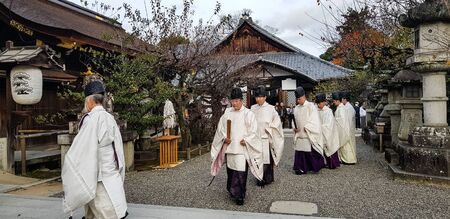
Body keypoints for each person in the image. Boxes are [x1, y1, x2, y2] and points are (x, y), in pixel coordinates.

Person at [62, 80, 128, 219]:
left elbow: (81, 147)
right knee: (111, 207)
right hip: (111, 170)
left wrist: (70, 163)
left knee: (105, 210)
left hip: (98, 175)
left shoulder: (91, 119)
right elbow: (118, 147)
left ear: (90, 101)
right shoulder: (110, 118)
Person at [210, 87, 263, 205]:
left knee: (240, 172)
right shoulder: (227, 112)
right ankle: (232, 191)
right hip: (230, 148)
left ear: (241, 100)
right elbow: (221, 128)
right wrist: (224, 138)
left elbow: (254, 131)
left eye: (236, 101)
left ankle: (240, 196)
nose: (234, 104)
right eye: (232, 101)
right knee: (231, 171)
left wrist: (247, 140)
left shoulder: (248, 113)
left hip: (241, 149)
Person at [251, 86, 284, 186]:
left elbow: (277, 122)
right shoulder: (253, 108)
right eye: (257, 97)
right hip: (256, 138)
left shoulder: (271, 109)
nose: (258, 99)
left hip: (266, 138)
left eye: (261, 97)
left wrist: (270, 129)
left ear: (265, 97)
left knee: (266, 160)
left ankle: (267, 178)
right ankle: (258, 178)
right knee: (257, 159)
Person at [292, 86, 324, 174]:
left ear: (304, 97)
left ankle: (311, 167)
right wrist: (294, 127)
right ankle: (300, 168)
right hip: (299, 134)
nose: (298, 101)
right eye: (297, 99)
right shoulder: (296, 108)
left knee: (309, 152)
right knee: (299, 152)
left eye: (299, 99)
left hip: (307, 133)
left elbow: (314, 120)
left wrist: (307, 127)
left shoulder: (311, 106)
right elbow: (294, 120)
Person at [315, 93, 340, 169]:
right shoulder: (316, 110)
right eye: (317, 103)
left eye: (320, 103)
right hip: (319, 132)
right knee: (318, 148)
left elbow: (329, 125)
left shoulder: (328, 111)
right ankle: (320, 164)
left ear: (324, 102)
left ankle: (332, 164)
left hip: (327, 133)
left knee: (329, 147)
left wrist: (320, 127)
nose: (319, 105)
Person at [333, 92, 357, 164]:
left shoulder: (347, 108)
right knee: (347, 146)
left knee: (347, 145)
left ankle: (349, 160)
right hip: (347, 128)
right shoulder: (344, 107)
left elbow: (345, 121)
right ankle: (346, 159)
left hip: (347, 128)